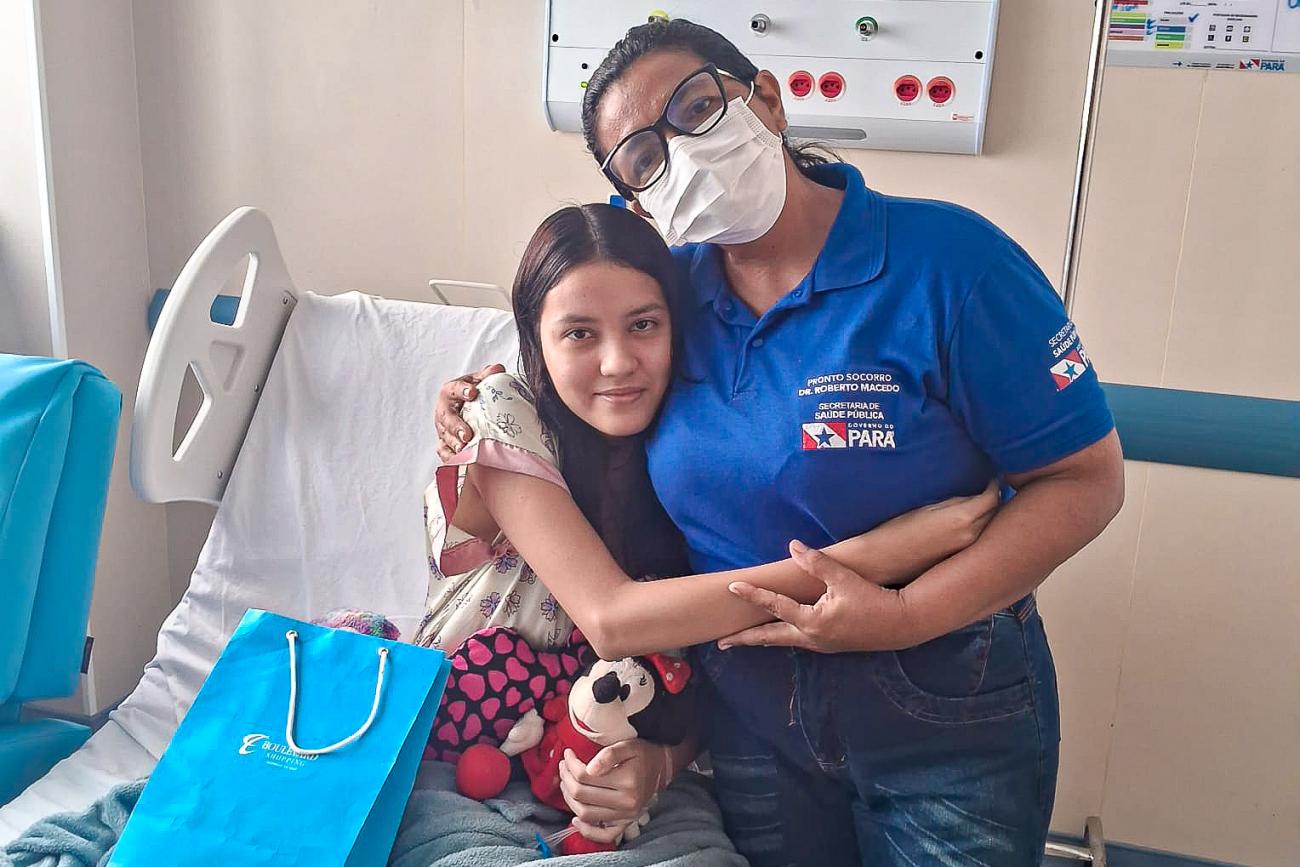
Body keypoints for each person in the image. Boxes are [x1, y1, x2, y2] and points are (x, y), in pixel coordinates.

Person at [434, 18, 1125, 867]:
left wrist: (906, 612)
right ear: (636, 199)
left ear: (766, 98)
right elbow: (569, 354)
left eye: (695, 108)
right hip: (753, 721)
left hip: (944, 708)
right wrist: (474, 399)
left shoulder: (952, 265)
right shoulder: (665, 299)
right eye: (643, 156)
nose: (682, 152)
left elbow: (1086, 480)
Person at [419, 202, 997, 843]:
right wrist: (877, 559)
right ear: (534, 338)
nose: (617, 362)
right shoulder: (499, 413)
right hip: (453, 746)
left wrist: (662, 763)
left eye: (643, 325)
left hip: (613, 764)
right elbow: (611, 620)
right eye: (579, 334)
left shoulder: (685, 446)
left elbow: (699, 656)